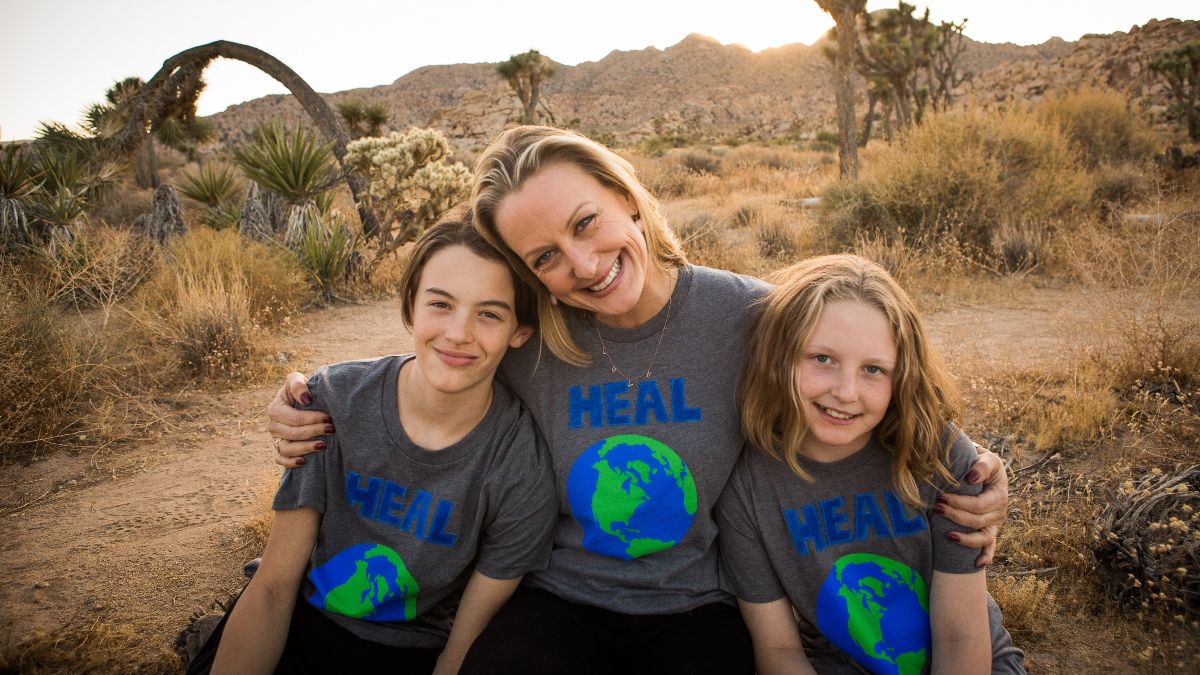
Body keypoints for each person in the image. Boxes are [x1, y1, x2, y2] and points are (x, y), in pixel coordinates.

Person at [266, 126, 1010, 674]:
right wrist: (311, 395)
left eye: (586, 222)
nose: (583, 264)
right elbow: (445, 355)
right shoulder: (536, 342)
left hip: (700, 603)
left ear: (626, 197)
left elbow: (864, 370)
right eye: (545, 258)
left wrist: (974, 469)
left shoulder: (749, 316)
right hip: (556, 596)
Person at [194, 211, 557, 675]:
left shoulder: (519, 462)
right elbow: (272, 588)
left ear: (519, 331)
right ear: (410, 306)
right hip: (301, 617)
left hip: (409, 650)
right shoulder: (334, 402)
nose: (458, 333)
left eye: (489, 314)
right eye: (440, 304)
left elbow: (459, 650)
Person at [717, 254, 1025, 674]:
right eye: (822, 358)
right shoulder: (748, 487)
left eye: (874, 369)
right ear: (780, 358)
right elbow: (779, 650)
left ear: (903, 377)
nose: (846, 392)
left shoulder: (940, 457)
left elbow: (961, 637)